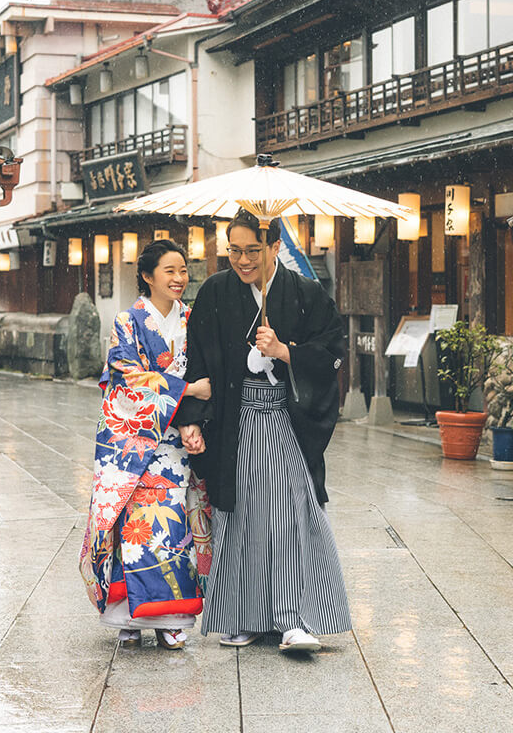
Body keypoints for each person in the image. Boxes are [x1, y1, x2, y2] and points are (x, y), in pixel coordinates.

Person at [176, 209, 351, 653]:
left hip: (285, 421)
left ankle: (295, 617)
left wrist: (286, 351)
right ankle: (243, 613)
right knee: (241, 515)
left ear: (275, 246)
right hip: (234, 422)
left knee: (292, 509)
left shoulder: (306, 293)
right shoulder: (216, 292)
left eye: (253, 250)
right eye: (233, 250)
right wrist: (192, 417)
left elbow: (333, 350)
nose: (242, 260)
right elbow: (196, 357)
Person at [79, 238, 213, 650]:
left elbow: (209, 370)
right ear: (147, 275)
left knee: (172, 523)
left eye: (183, 270)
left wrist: (192, 420)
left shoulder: (193, 319)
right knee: (130, 525)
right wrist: (187, 388)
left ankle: (172, 616)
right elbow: (125, 379)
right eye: (170, 270)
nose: (179, 278)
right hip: (134, 442)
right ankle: (126, 614)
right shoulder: (128, 321)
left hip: (175, 442)